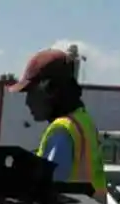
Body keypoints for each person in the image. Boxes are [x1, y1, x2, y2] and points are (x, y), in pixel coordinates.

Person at [9, 49, 106, 193]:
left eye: (31, 92)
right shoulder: (83, 122)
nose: (28, 102)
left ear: (50, 89)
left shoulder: (61, 131)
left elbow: (46, 192)